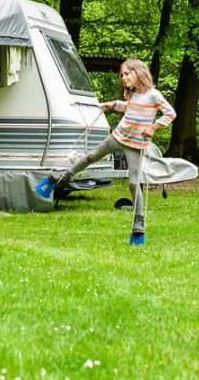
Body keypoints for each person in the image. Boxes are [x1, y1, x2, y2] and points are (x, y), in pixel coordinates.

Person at [47, 58, 175, 243]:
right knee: (91, 156)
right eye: (122, 75)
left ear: (139, 72)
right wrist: (114, 104)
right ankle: (63, 178)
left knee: (133, 183)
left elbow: (170, 113)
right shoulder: (133, 94)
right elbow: (130, 108)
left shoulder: (153, 95)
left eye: (127, 74)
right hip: (117, 137)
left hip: (135, 145)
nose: (123, 78)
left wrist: (153, 127)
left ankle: (138, 222)